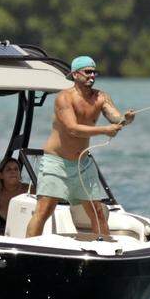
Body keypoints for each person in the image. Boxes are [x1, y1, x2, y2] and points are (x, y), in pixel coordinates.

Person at [26, 55, 134, 239]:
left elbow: (115, 118)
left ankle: (106, 249)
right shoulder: (64, 98)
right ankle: (28, 247)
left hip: (82, 164)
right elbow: (72, 129)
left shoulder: (101, 97)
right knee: (44, 210)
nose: (92, 76)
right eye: (87, 72)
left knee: (98, 212)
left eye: (94, 72)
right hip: (56, 163)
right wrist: (105, 130)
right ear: (75, 75)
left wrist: (125, 119)